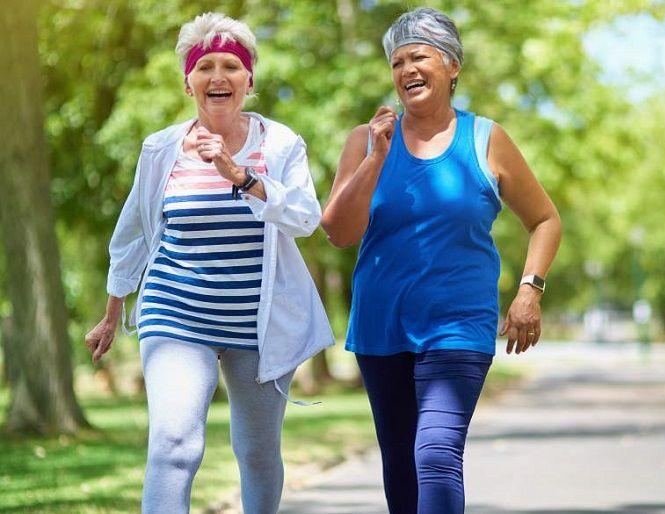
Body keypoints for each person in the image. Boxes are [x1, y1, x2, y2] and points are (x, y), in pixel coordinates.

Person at [83, 12, 333, 514]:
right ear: (188, 81)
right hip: (175, 312)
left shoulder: (280, 144)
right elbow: (132, 234)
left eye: (231, 66)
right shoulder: (160, 149)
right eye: (205, 67)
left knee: (258, 454)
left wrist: (237, 174)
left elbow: (306, 218)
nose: (218, 76)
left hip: (258, 323)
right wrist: (113, 311)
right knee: (175, 447)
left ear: (250, 79)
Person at [321, 7, 562, 513]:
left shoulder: (486, 139)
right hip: (381, 325)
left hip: (458, 325)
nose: (406, 70)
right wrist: (375, 160)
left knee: (435, 453)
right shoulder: (365, 141)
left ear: (452, 66)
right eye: (397, 62)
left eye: (419, 57)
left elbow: (545, 219)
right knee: (400, 463)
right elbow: (339, 233)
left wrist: (529, 290)